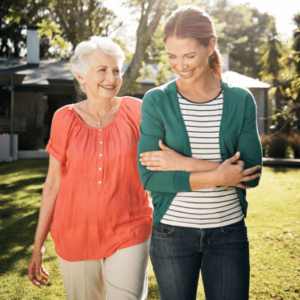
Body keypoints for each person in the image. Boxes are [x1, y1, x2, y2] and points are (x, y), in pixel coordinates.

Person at [138, 5, 262, 300]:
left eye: (189, 55)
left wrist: (181, 163)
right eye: (172, 56)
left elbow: (251, 175)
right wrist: (221, 175)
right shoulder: (156, 101)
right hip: (172, 234)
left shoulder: (240, 100)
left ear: (210, 46)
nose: (180, 64)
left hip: (228, 233)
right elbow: (149, 177)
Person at [28, 36, 153, 300]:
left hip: (130, 227)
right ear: (81, 76)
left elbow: (165, 152)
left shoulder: (135, 110)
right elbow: (52, 184)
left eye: (116, 70)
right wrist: (38, 247)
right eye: (103, 70)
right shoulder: (64, 118)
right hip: (75, 232)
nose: (112, 78)